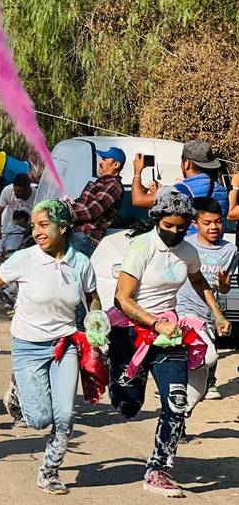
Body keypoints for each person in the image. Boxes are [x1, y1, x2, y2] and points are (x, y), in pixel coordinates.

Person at [107, 188, 230, 497]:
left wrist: (217, 314)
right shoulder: (142, 247)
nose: (175, 233)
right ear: (157, 220)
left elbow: (198, 281)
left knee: (175, 402)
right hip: (132, 332)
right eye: (169, 226)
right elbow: (121, 298)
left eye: (181, 227)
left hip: (169, 334)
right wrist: (152, 321)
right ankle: (117, 381)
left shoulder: (188, 252)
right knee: (128, 405)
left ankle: (157, 470)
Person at [0, 200, 99, 495]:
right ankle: (18, 393)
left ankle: (49, 470)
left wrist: (96, 321)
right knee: (39, 419)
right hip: (28, 346)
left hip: (65, 344)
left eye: (44, 225)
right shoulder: (24, 259)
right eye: (34, 226)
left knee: (66, 414)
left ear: (63, 227)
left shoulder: (80, 263)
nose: (37, 231)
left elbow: (93, 297)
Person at [177, 197, 236, 402]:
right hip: (184, 311)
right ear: (195, 224)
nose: (214, 227)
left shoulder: (230, 250)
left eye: (218, 222)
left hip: (210, 315)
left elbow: (225, 289)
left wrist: (221, 284)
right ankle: (176, 379)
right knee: (209, 355)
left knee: (200, 385)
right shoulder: (185, 247)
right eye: (207, 222)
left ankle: (182, 409)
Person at [131, 141, 229, 221]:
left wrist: (137, 171)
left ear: (186, 163)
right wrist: (162, 191)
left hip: (188, 244)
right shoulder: (221, 190)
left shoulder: (181, 191)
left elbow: (138, 200)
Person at [66, 146, 125, 256]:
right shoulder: (100, 183)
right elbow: (82, 204)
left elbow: (93, 210)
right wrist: (68, 204)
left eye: (104, 159)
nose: (100, 162)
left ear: (116, 165)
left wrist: (68, 213)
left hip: (85, 236)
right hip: (77, 233)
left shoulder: (113, 185)